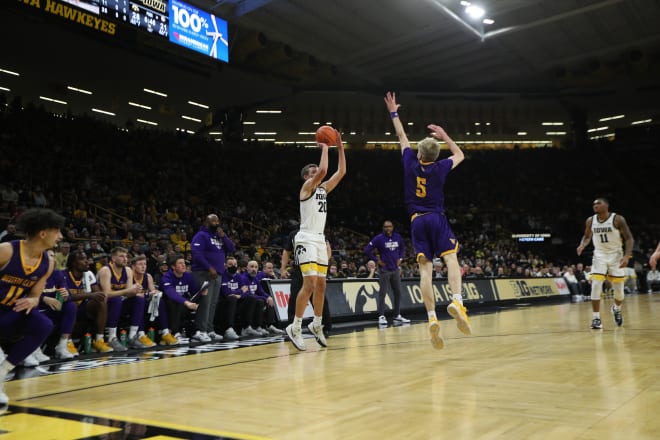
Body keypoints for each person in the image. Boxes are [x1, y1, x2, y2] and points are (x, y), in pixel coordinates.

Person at [384, 91, 471, 349]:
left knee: (426, 270)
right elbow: (460, 155)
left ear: (419, 153)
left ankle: (432, 318)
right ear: (435, 156)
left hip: (416, 221)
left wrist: (394, 112)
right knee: (451, 259)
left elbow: (401, 136)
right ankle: (456, 300)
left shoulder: (410, 162)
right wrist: (445, 136)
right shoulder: (441, 167)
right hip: (436, 217)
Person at [286, 127, 346, 351]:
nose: (317, 173)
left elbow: (340, 172)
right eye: (312, 172)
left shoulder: (323, 189)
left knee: (321, 285)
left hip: (320, 240)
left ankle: (317, 324)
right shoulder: (306, 188)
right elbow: (323, 169)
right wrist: (325, 147)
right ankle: (296, 326)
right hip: (306, 239)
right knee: (309, 284)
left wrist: (339, 147)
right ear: (305, 177)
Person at [0, 208, 64, 411]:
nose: (60, 237)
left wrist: (33, 301)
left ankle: (1, 373)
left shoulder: (48, 262)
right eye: (57, 231)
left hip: (10, 313)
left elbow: (36, 295)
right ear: (43, 233)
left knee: (43, 324)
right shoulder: (6, 250)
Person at [577, 197, 634, 329]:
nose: (595, 205)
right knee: (596, 285)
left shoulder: (617, 219)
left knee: (619, 292)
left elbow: (629, 238)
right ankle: (596, 318)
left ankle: (617, 308)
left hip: (616, 256)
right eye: (593, 204)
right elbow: (586, 236)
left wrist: (627, 256)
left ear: (606, 206)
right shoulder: (590, 220)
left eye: (598, 203)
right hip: (599, 255)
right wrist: (582, 245)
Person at [190, 214, 235, 343]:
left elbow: (231, 248)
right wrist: (209, 267)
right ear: (206, 222)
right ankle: (200, 331)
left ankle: (209, 329)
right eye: (213, 221)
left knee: (213, 303)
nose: (216, 223)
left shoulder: (219, 236)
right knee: (205, 302)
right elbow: (197, 254)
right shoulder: (201, 235)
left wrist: (224, 236)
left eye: (217, 221)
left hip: (218, 274)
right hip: (204, 273)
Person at [97, 247, 150, 351]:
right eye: (121, 256)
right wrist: (127, 291)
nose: (125, 259)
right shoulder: (105, 270)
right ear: (113, 258)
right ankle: (111, 338)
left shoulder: (128, 270)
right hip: (104, 307)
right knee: (116, 299)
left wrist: (135, 290)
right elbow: (106, 294)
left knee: (139, 299)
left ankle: (132, 336)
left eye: (126, 256)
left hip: (120, 305)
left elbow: (129, 293)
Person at [64, 250, 113, 353]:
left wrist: (99, 295)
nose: (87, 261)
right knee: (71, 305)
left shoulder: (89, 274)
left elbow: (97, 294)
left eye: (86, 258)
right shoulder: (63, 275)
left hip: (83, 307)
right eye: (82, 259)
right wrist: (90, 295)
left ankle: (99, 339)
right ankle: (67, 342)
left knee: (101, 301)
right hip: (66, 308)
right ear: (73, 262)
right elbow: (66, 297)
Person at [364, 220, 409, 326]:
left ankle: (397, 315)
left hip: (395, 270)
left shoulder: (398, 237)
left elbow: (402, 248)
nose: (387, 228)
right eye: (385, 227)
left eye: (389, 226)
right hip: (384, 270)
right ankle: (381, 316)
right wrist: (376, 260)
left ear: (392, 227)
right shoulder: (379, 238)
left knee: (397, 292)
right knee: (382, 293)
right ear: (383, 228)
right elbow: (367, 250)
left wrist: (401, 258)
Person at [132, 255, 178, 345]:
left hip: (144, 301)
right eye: (140, 264)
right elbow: (131, 294)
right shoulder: (130, 275)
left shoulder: (148, 276)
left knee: (160, 300)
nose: (143, 266)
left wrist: (156, 293)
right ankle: (141, 335)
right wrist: (148, 294)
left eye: (144, 264)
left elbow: (153, 291)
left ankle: (165, 332)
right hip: (133, 302)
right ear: (133, 266)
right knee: (139, 301)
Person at [159, 254, 201, 340]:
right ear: (173, 267)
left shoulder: (188, 276)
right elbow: (171, 293)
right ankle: (175, 333)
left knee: (201, 301)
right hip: (166, 304)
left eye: (184, 263)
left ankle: (196, 331)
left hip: (184, 302)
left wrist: (202, 291)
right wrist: (186, 302)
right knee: (176, 302)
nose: (184, 265)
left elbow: (194, 291)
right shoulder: (166, 277)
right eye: (180, 263)